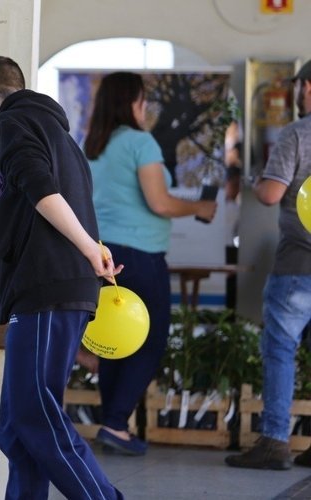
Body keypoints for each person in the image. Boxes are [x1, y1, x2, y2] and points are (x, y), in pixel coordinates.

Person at [0, 55, 123, 500]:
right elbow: (37, 222)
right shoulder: (57, 132)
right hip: (45, 288)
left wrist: (90, 250)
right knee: (16, 430)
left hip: (50, 292)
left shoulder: (14, 124)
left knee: (36, 418)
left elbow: (40, 189)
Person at [82, 71, 217, 456]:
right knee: (150, 338)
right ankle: (115, 423)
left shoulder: (92, 145)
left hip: (103, 255)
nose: (145, 108)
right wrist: (199, 207)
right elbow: (160, 203)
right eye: (142, 100)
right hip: (140, 257)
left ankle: (113, 424)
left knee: (114, 340)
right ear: (131, 103)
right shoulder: (141, 143)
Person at [225, 60, 311, 470]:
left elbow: (272, 195)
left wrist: (260, 180)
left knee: (280, 350)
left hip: (298, 265)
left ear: (307, 89)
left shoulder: (297, 133)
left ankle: (276, 441)